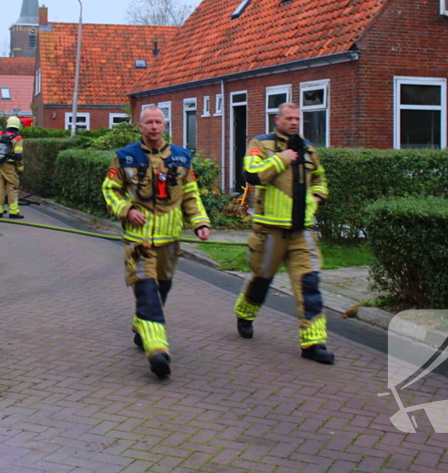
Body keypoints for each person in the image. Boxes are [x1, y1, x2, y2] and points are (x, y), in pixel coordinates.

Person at [101, 104, 211, 379]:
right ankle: (158, 351)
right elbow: (110, 190)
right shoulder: (124, 157)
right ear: (140, 126)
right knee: (147, 291)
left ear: (164, 125)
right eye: (148, 122)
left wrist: (200, 222)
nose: (153, 126)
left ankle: (142, 325)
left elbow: (191, 194)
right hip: (138, 242)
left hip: (170, 241)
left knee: (161, 290)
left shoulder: (182, 157)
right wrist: (127, 210)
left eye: (158, 122)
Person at [235, 102, 334, 365]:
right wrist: (281, 159)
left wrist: (318, 195)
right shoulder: (261, 144)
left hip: (302, 231)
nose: (293, 123)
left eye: (297, 119)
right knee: (261, 280)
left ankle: (313, 342)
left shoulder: (308, 148)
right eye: (288, 118)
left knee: (309, 284)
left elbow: (320, 178)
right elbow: (251, 174)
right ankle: (245, 313)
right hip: (270, 231)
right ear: (277, 120)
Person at [0, 116, 24, 219]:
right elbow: (18, 156)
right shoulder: (18, 138)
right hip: (10, 166)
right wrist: (20, 168)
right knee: (12, 188)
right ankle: (13, 212)